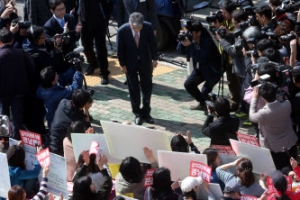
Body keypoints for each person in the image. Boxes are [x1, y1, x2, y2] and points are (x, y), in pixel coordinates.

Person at [117, 12, 158, 125]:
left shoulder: (148, 27)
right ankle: (137, 113)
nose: (137, 30)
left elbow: (153, 44)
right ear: (130, 25)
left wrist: (155, 59)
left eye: (139, 28)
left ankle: (146, 112)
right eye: (134, 28)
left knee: (147, 87)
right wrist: (122, 65)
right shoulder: (122, 30)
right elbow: (120, 49)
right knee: (133, 89)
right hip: (130, 64)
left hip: (145, 62)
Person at [249, 82, 298, 170]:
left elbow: (251, 116)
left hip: (274, 147)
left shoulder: (263, 113)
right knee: (293, 168)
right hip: (290, 142)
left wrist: (254, 98)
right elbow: (281, 100)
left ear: (263, 98)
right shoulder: (287, 104)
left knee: (279, 169)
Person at [178, 20, 222, 111]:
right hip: (201, 68)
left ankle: (214, 108)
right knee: (188, 84)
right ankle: (203, 104)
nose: (189, 34)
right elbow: (180, 51)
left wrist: (190, 46)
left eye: (191, 32)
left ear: (198, 32)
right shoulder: (191, 38)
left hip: (213, 71)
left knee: (205, 92)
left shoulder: (207, 42)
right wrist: (181, 41)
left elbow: (201, 58)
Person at [0, 27, 35, 140]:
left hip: (3, 92)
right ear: (13, 40)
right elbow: (32, 68)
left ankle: (3, 139)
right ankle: (16, 141)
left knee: (3, 116)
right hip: (19, 91)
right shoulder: (21, 53)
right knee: (17, 118)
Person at [77, 0, 112, 85]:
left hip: (99, 22)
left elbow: (108, 5)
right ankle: (93, 64)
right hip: (84, 22)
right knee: (86, 47)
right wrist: (79, 19)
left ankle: (104, 73)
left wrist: (106, 19)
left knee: (100, 50)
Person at [50, 89, 93, 156]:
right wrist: (86, 110)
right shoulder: (78, 121)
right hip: (61, 150)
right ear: (85, 104)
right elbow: (90, 131)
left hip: (51, 142)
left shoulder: (63, 102)